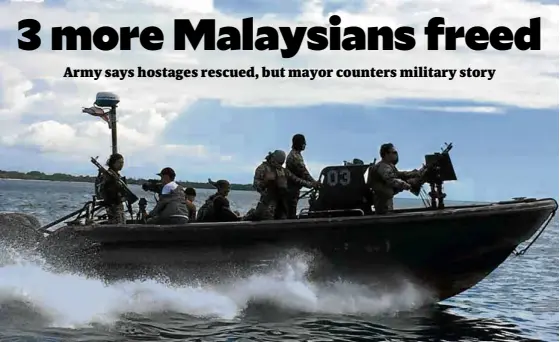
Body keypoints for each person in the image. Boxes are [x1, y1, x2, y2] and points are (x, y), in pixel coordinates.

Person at [252, 150, 320, 221]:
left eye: (281, 164)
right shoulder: (263, 168)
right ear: (273, 159)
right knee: (266, 218)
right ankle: (252, 215)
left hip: (282, 204)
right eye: (278, 163)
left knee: (283, 219)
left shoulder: (284, 171)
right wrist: (265, 182)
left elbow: (297, 180)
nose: (279, 166)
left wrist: (311, 184)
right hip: (268, 204)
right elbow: (255, 184)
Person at [367, 143, 425, 214]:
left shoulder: (389, 165)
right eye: (394, 152)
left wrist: (416, 173)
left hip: (386, 200)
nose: (396, 154)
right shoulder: (383, 167)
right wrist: (407, 185)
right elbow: (392, 180)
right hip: (383, 203)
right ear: (386, 154)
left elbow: (400, 174)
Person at [285, 134, 318, 219]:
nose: (305, 144)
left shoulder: (295, 155)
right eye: (303, 142)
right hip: (292, 189)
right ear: (299, 143)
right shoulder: (295, 157)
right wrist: (314, 183)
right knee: (291, 213)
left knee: (290, 210)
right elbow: (304, 172)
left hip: (293, 188)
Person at [97, 153, 126, 224]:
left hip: (118, 204)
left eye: (122, 162)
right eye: (119, 162)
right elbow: (103, 190)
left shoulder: (116, 176)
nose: (121, 164)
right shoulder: (108, 175)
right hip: (112, 205)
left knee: (121, 223)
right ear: (113, 163)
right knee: (116, 224)